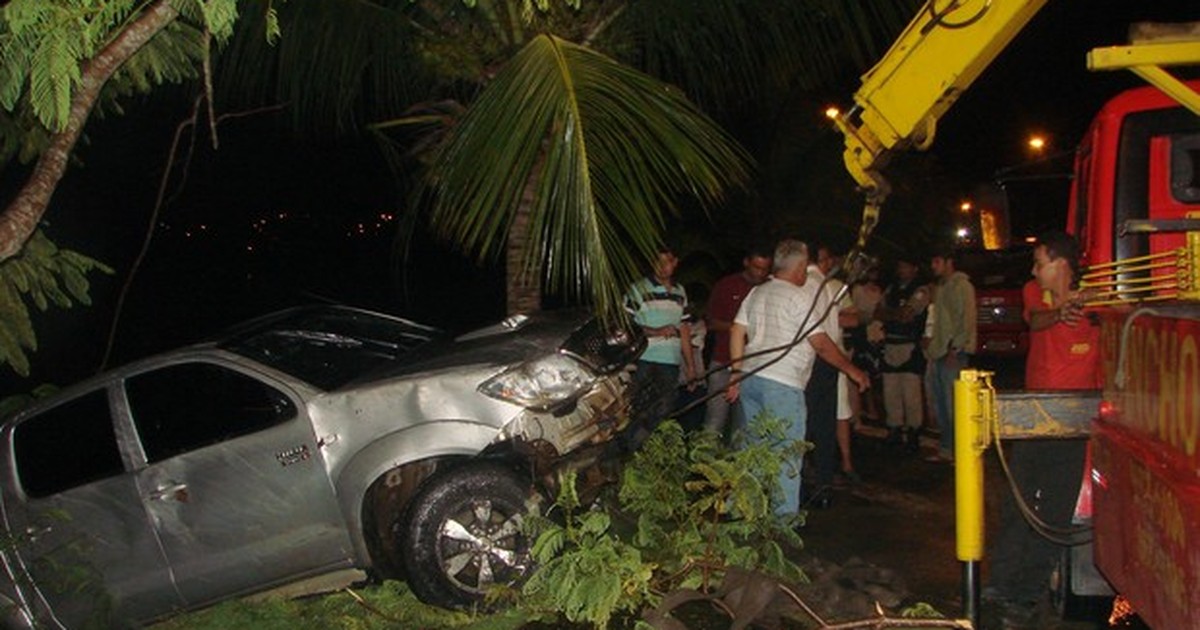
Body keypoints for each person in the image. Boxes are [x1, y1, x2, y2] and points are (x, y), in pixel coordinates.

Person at [985, 232, 1100, 619]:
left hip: (1073, 423)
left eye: (1040, 262)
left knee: (1054, 514)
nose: (1034, 270)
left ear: (1062, 264)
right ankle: (999, 584)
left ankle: (1026, 593)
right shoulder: (1037, 292)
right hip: (1036, 416)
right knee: (1016, 505)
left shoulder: (1097, 296)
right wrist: (1062, 312)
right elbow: (1037, 320)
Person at [724, 239, 869, 518]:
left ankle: (739, 508)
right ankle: (783, 519)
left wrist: (736, 374)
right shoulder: (797, 297)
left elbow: (736, 331)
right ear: (800, 266)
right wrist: (852, 370)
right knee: (787, 450)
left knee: (752, 445)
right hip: (782, 383)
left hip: (753, 378)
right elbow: (821, 343)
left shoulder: (758, 292)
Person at [625, 247, 699, 440]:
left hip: (670, 362)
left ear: (675, 263)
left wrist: (691, 367)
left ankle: (641, 450)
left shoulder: (680, 292)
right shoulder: (639, 289)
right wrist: (655, 331)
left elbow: (684, 329)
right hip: (644, 358)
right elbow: (625, 326)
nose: (662, 267)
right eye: (657, 262)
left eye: (667, 262)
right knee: (635, 409)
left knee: (663, 410)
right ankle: (625, 452)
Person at [806, 245, 861, 499]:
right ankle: (815, 472)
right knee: (811, 416)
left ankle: (845, 464)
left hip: (833, 357)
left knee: (838, 413)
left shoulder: (835, 287)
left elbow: (853, 319)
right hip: (808, 360)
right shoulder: (802, 284)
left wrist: (829, 317)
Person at [703, 247, 772, 436]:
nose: (760, 273)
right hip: (723, 361)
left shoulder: (769, 288)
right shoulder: (727, 285)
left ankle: (737, 463)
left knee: (745, 423)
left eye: (764, 269)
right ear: (746, 263)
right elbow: (710, 322)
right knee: (715, 418)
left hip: (754, 365)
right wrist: (738, 329)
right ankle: (704, 459)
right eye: (756, 267)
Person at [923, 247, 976, 463]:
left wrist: (956, 348)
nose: (933, 266)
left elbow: (966, 319)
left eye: (937, 261)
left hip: (952, 352)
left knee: (954, 405)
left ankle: (960, 452)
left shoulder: (961, 286)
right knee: (942, 404)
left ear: (948, 262)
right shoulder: (942, 287)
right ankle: (947, 448)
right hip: (939, 351)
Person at [877, 256, 930, 453]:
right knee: (891, 392)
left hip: (909, 345)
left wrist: (891, 313)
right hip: (891, 343)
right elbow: (878, 312)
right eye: (900, 265)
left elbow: (908, 314)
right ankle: (894, 429)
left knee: (911, 394)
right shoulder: (892, 288)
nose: (902, 269)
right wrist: (894, 313)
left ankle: (914, 432)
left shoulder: (920, 290)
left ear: (914, 268)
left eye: (905, 265)